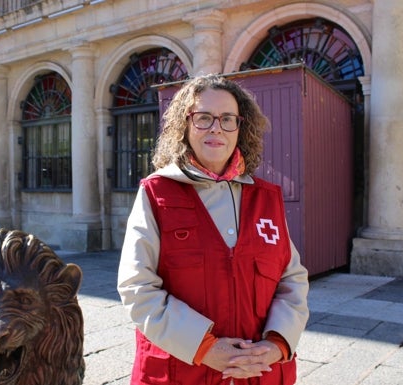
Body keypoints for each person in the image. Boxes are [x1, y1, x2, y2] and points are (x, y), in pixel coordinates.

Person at [117, 74, 309, 385]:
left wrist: (278, 343)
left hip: (260, 372)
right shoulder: (156, 193)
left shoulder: (267, 199)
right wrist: (205, 348)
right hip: (182, 372)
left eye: (227, 119)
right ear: (185, 125)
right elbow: (137, 287)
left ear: (240, 127)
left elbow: (292, 279)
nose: (216, 128)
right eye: (203, 117)